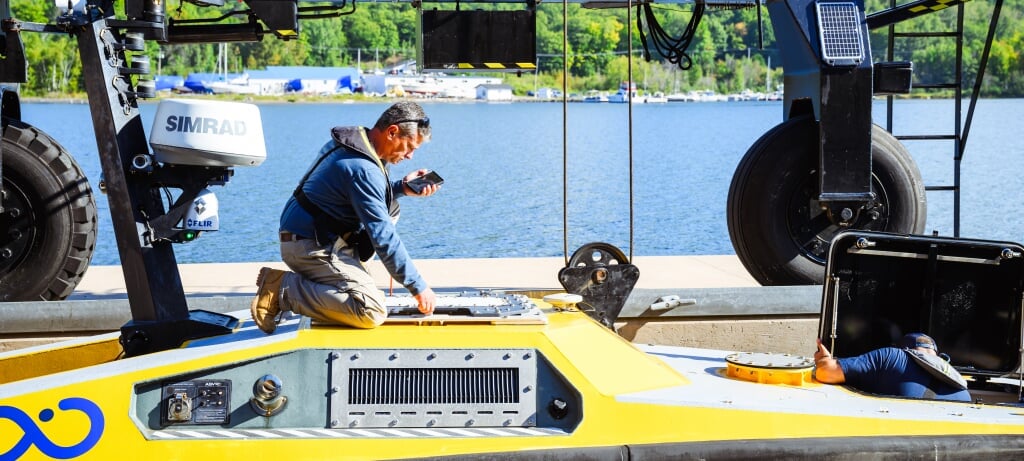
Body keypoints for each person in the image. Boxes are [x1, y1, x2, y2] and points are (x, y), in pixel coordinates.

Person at [250, 101, 439, 334]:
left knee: (392, 206)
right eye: (410, 147)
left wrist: (401, 187)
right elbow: (384, 237)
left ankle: (336, 279)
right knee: (371, 310)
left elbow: (364, 194)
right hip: (309, 245)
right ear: (392, 132)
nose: (410, 156)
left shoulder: (358, 144)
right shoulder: (363, 168)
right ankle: (282, 289)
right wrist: (418, 286)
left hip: (313, 235)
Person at [813, 333, 971, 402]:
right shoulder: (963, 390)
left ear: (904, 349)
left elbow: (827, 372)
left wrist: (825, 358)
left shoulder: (893, 356)